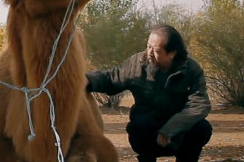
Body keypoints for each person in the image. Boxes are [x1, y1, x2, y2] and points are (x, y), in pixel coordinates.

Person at [86, 25, 212, 162]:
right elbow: (111, 78)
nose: (149, 53)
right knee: (138, 127)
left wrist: (170, 129)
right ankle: (146, 158)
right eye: (148, 46)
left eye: (156, 50)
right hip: (148, 128)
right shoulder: (137, 63)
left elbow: (200, 105)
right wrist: (84, 80)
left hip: (178, 129)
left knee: (202, 128)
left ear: (172, 53)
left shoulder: (191, 69)